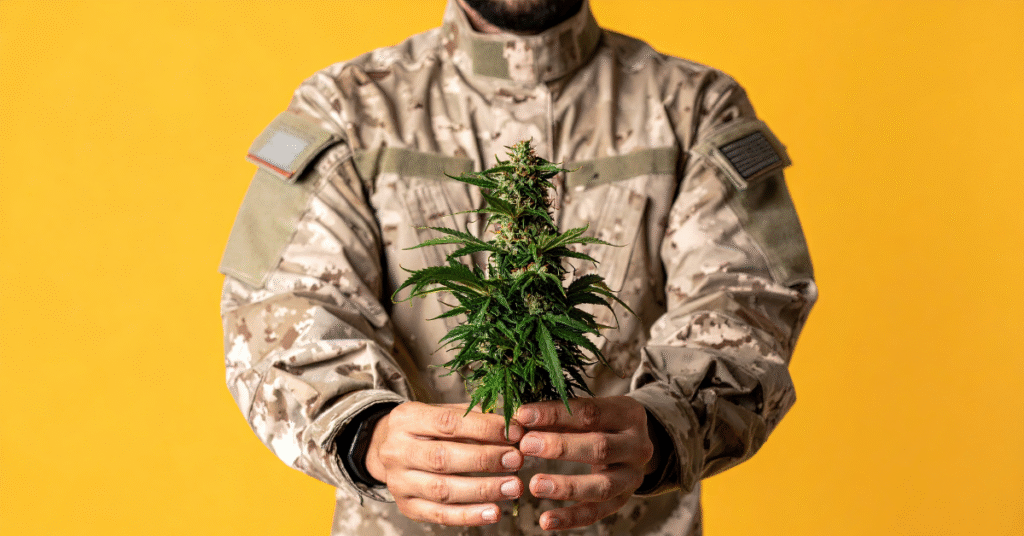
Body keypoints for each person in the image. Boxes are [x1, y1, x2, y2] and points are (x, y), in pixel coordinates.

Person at [218, 0, 818, 534]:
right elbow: (279, 311)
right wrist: (362, 433)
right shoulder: (346, 109)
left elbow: (747, 299)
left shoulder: (694, 109)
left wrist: (667, 425)